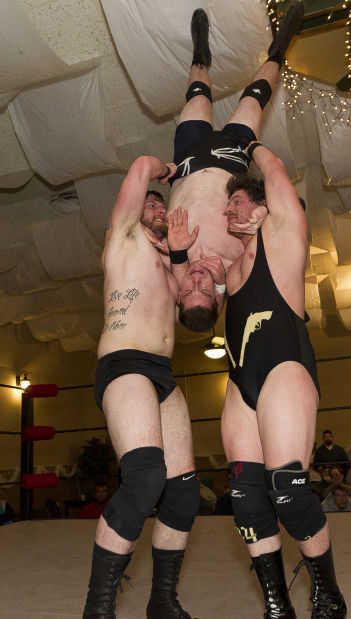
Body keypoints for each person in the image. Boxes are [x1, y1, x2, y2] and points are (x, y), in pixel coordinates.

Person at [219, 146, 346, 615]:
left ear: (262, 205)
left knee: (289, 492)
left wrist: (249, 147)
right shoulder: (230, 269)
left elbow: (274, 175)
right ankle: (277, 603)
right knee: (245, 496)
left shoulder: (285, 233)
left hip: (284, 368)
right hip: (239, 382)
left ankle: (328, 594)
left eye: (235, 202)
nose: (228, 210)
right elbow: (192, 313)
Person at [82, 157, 200, 619]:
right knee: (146, 478)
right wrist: (166, 169)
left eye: (161, 205)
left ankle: (162, 600)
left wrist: (182, 251)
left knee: (184, 491)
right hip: (124, 361)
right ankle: (98, 609)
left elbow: (191, 316)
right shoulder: (123, 236)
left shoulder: (167, 259)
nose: (156, 206)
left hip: (162, 372)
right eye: (150, 202)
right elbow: (138, 169)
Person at [167, 3, 305, 331]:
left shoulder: (180, 265)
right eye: (202, 290)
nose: (195, 282)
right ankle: (279, 50)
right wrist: (261, 220)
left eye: (188, 290)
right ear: (218, 298)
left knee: (198, 100)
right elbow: (278, 239)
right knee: (252, 101)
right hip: (232, 159)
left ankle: (200, 54)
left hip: (188, 160)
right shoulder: (236, 267)